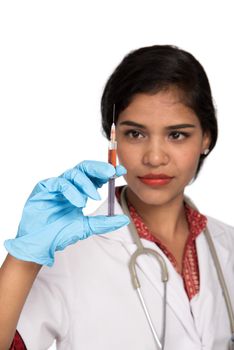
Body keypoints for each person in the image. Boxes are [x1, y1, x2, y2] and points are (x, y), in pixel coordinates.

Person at [0, 45, 233, 350]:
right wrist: (22, 260)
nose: (154, 157)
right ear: (113, 138)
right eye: (135, 134)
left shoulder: (227, 244)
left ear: (206, 138)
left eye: (176, 135)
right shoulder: (68, 254)